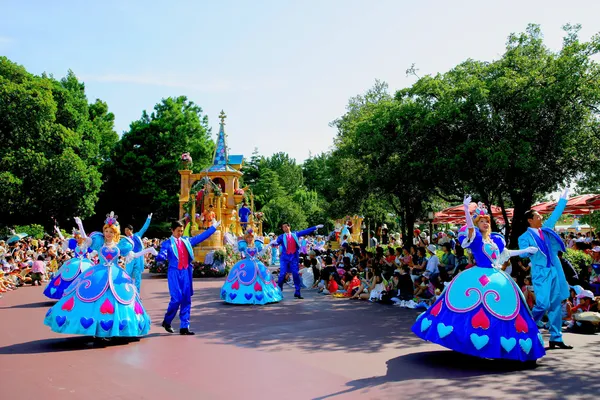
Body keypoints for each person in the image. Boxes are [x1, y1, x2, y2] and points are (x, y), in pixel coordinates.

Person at [412, 196, 544, 362]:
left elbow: (506, 254)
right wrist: (467, 210)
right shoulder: (475, 239)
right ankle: (468, 341)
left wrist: (525, 249)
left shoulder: (495, 240)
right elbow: (470, 230)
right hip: (477, 277)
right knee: (467, 305)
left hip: (497, 277)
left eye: (487, 221)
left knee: (506, 306)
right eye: (481, 221)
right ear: (476, 224)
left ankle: (500, 345)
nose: (485, 223)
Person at [43, 213, 156, 340]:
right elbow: (86, 238)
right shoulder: (99, 243)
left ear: (115, 233)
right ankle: (97, 329)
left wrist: (149, 250)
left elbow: (134, 255)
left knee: (117, 299)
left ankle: (113, 329)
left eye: (111, 232)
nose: (108, 234)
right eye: (106, 231)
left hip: (115, 274)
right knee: (93, 298)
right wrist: (80, 224)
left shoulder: (121, 245)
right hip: (98, 274)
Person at [519, 188, 573, 350]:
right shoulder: (524, 237)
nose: (541, 218)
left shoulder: (546, 230)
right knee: (542, 304)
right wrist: (528, 251)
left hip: (553, 270)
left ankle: (556, 337)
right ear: (530, 220)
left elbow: (555, 215)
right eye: (537, 216)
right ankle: (527, 326)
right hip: (540, 273)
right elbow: (523, 254)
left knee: (556, 304)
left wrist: (563, 200)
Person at [157, 219, 219, 335]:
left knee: (186, 299)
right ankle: (167, 321)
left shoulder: (186, 241)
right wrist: (160, 256)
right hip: (174, 273)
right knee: (176, 299)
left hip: (186, 272)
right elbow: (163, 253)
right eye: (178, 231)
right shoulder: (167, 243)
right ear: (172, 230)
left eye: (181, 231)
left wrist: (214, 227)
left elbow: (201, 237)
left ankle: (184, 326)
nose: (180, 233)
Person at [220, 229, 282, 305]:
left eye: (251, 237)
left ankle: (265, 295)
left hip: (257, 264)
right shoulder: (243, 245)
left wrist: (269, 244)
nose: (250, 239)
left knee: (262, 276)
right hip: (246, 264)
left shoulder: (257, 244)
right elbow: (235, 248)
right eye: (248, 237)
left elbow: (261, 253)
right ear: (245, 238)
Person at [271, 222, 323, 299]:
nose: (284, 228)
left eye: (286, 227)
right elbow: (276, 243)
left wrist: (315, 227)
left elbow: (305, 231)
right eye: (283, 227)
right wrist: (273, 244)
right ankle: (279, 290)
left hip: (293, 258)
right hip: (285, 258)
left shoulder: (295, 234)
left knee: (295, 274)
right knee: (282, 274)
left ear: (289, 227)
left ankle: (297, 292)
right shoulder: (281, 237)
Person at [43, 226, 95, 300]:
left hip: (85, 262)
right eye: (76, 238)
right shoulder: (74, 245)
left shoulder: (86, 245)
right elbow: (63, 240)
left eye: (79, 237)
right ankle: (67, 293)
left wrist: (80, 224)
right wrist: (58, 231)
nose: (78, 239)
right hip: (75, 262)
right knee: (67, 274)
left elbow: (93, 252)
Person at [124, 213, 153, 295]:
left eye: (127, 230)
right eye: (125, 230)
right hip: (130, 258)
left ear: (131, 230)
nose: (126, 232)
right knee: (128, 274)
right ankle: (128, 293)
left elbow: (144, 228)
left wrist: (148, 218)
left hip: (138, 257)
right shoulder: (125, 239)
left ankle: (137, 293)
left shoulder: (137, 235)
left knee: (137, 276)